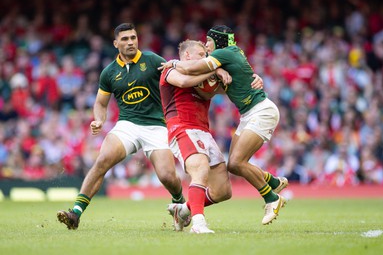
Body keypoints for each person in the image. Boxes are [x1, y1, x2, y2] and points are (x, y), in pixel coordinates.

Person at [57, 23, 186, 230]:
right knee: (102, 160)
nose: (130, 42)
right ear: (116, 43)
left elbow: (176, 76)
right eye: (125, 39)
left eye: (133, 38)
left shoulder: (153, 60)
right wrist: (99, 119)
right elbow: (100, 103)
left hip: (156, 125)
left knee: (167, 176)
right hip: (127, 125)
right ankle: (75, 213)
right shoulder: (109, 72)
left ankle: (180, 203)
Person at [160, 25, 288, 225]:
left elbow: (198, 77)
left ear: (217, 41)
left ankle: (271, 198)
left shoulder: (223, 53)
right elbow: (196, 86)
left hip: (259, 111)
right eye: (202, 52)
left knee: (236, 163)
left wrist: (180, 63)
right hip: (214, 121)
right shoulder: (213, 63)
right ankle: (271, 182)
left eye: (208, 45)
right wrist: (216, 71)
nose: (207, 51)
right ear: (187, 54)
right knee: (233, 166)